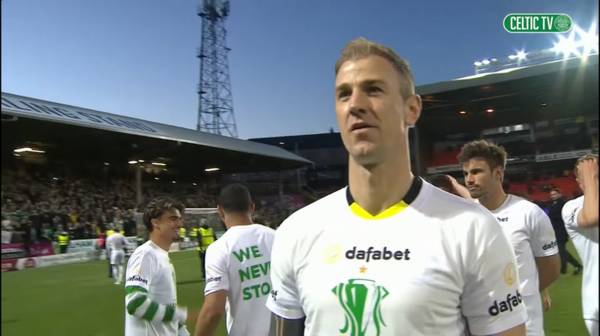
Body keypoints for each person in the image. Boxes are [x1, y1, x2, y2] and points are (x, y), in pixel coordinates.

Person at [266, 38, 526, 336]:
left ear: (412, 109)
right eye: (343, 94)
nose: (356, 104)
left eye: (373, 90)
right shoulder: (297, 230)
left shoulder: (473, 229)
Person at [457, 139, 560, 336]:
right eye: (466, 173)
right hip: (479, 326)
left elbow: (552, 268)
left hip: (526, 327)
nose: (469, 179)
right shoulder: (464, 218)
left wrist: (523, 292)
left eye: (477, 172)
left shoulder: (529, 213)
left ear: (498, 174)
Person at [194, 183, 274, 336]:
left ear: (220, 211)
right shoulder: (275, 237)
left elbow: (213, 311)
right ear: (252, 207)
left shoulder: (219, 248)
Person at [124, 197, 192, 336]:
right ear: (156, 223)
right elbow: (135, 303)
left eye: (179, 219)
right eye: (173, 219)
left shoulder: (161, 256)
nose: (180, 224)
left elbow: (167, 305)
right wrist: (180, 314)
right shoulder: (145, 255)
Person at [561, 154, 598, 336]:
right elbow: (591, 217)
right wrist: (590, 179)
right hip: (596, 303)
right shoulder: (571, 207)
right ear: (579, 181)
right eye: (592, 176)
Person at [548, 188, 583, 274]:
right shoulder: (554, 204)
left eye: (554, 194)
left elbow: (562, 217)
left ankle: (563, 268)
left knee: (560, 250)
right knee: (561, 250)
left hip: (561, 230)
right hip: (555, 230)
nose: (553, 196)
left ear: (560, 194)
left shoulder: (563, 204)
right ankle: (577, 265)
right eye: (551, 195)